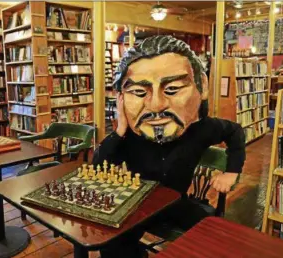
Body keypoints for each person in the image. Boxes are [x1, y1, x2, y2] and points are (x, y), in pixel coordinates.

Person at [92, 35, 246, 258]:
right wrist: (120, 130)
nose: (156, 105)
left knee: (215, 239)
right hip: (136, 204)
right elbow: (98, 167)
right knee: (112, 245)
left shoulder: (201, 129)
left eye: (173, 89)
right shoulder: (128, 137)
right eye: (138, 92)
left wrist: (231, 172)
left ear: (201, 86)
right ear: (122, 99)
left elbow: (234, 132)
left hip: (175, 203)